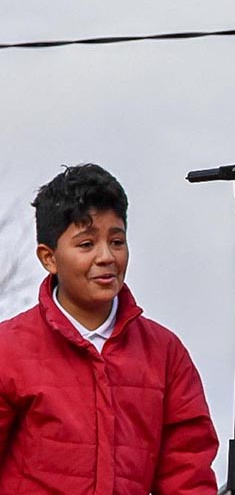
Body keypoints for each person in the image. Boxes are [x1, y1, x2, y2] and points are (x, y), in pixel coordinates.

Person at [0, 163, 219, 494]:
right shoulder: (9, 349)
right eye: (86, 245)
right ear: (49, 258)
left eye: (117, 241)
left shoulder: (165, 353)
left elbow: (188, 476)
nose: (106, 257)